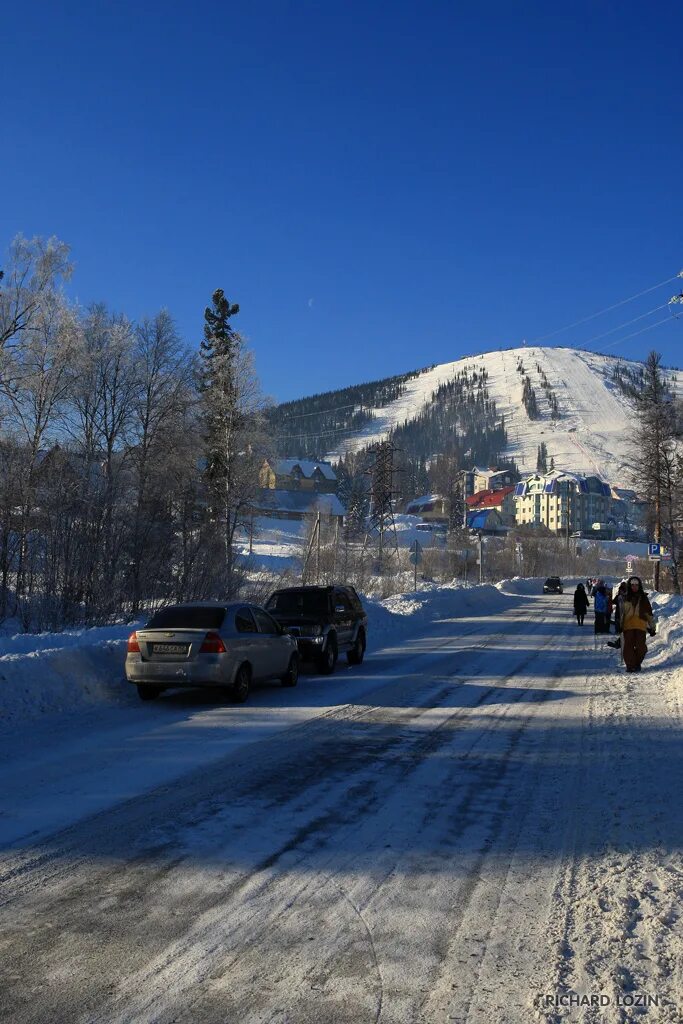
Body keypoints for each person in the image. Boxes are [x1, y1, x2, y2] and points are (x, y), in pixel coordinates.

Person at [619, 576, 656, 672]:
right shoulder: (625, 598)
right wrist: (619, 625)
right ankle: (630, 665)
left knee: (641, 647)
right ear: (629, 586)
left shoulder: (644, 598)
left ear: (639, 586)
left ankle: (636, 663)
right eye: (632, 585)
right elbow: (621, 613)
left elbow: (648, 614)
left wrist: (652, 627)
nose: (634, 587)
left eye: (636, 585)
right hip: (628, 625)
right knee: (628, 647)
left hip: (640, 625)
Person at [607, 581, 628, 649]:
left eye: (621, 590)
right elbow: (614, 601)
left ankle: (619, 642)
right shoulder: (620, 596)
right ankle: (618, 642)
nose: (620, 591)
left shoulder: (626, 596)